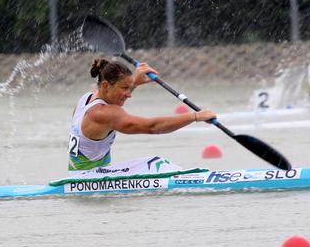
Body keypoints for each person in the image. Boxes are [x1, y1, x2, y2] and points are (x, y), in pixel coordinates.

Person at [68, 59, 217, 177]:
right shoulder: (105, 113)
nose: (129, 93)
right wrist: (196, 116)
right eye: (125, 88)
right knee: (156, 164)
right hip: (91, 179)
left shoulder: (87, 98)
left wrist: (135, 82)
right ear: (106, 85)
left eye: (129, 87)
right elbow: (152, 127)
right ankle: (199, 180)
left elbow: (110, 100)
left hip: (80, 176)